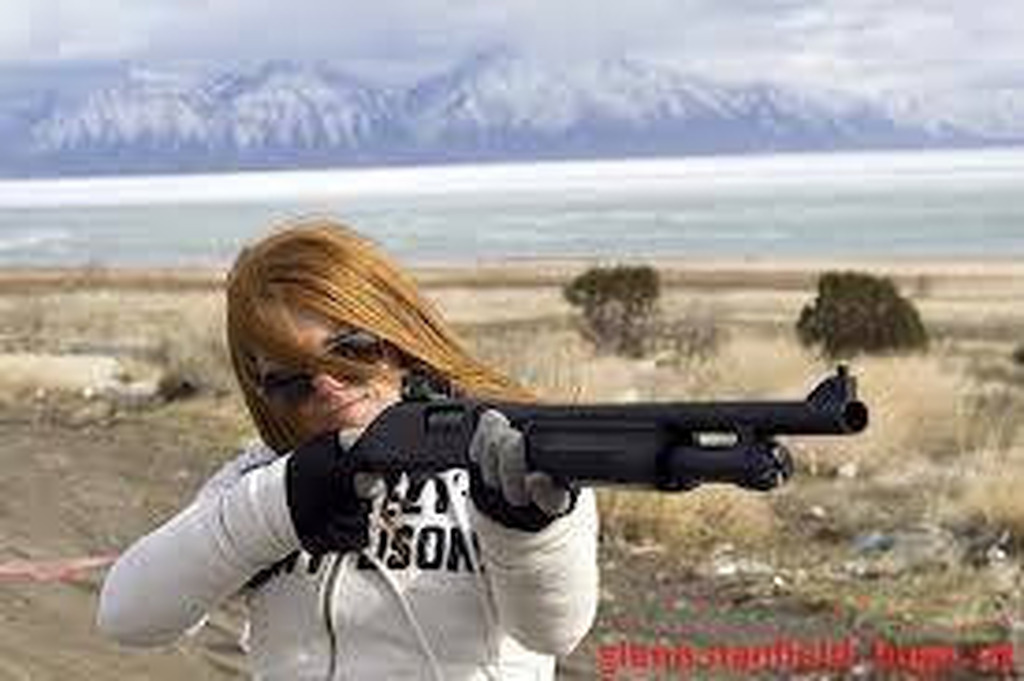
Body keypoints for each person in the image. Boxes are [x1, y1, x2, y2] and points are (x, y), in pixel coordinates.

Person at [96, 218, 600, 680]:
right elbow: (128, 617)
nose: (329, 386)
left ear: (401, 337)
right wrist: (275, 509)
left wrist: (525, 529)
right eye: (290, 381)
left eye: (352, 350)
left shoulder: (508, 452)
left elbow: (553, 632)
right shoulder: (268, 475)